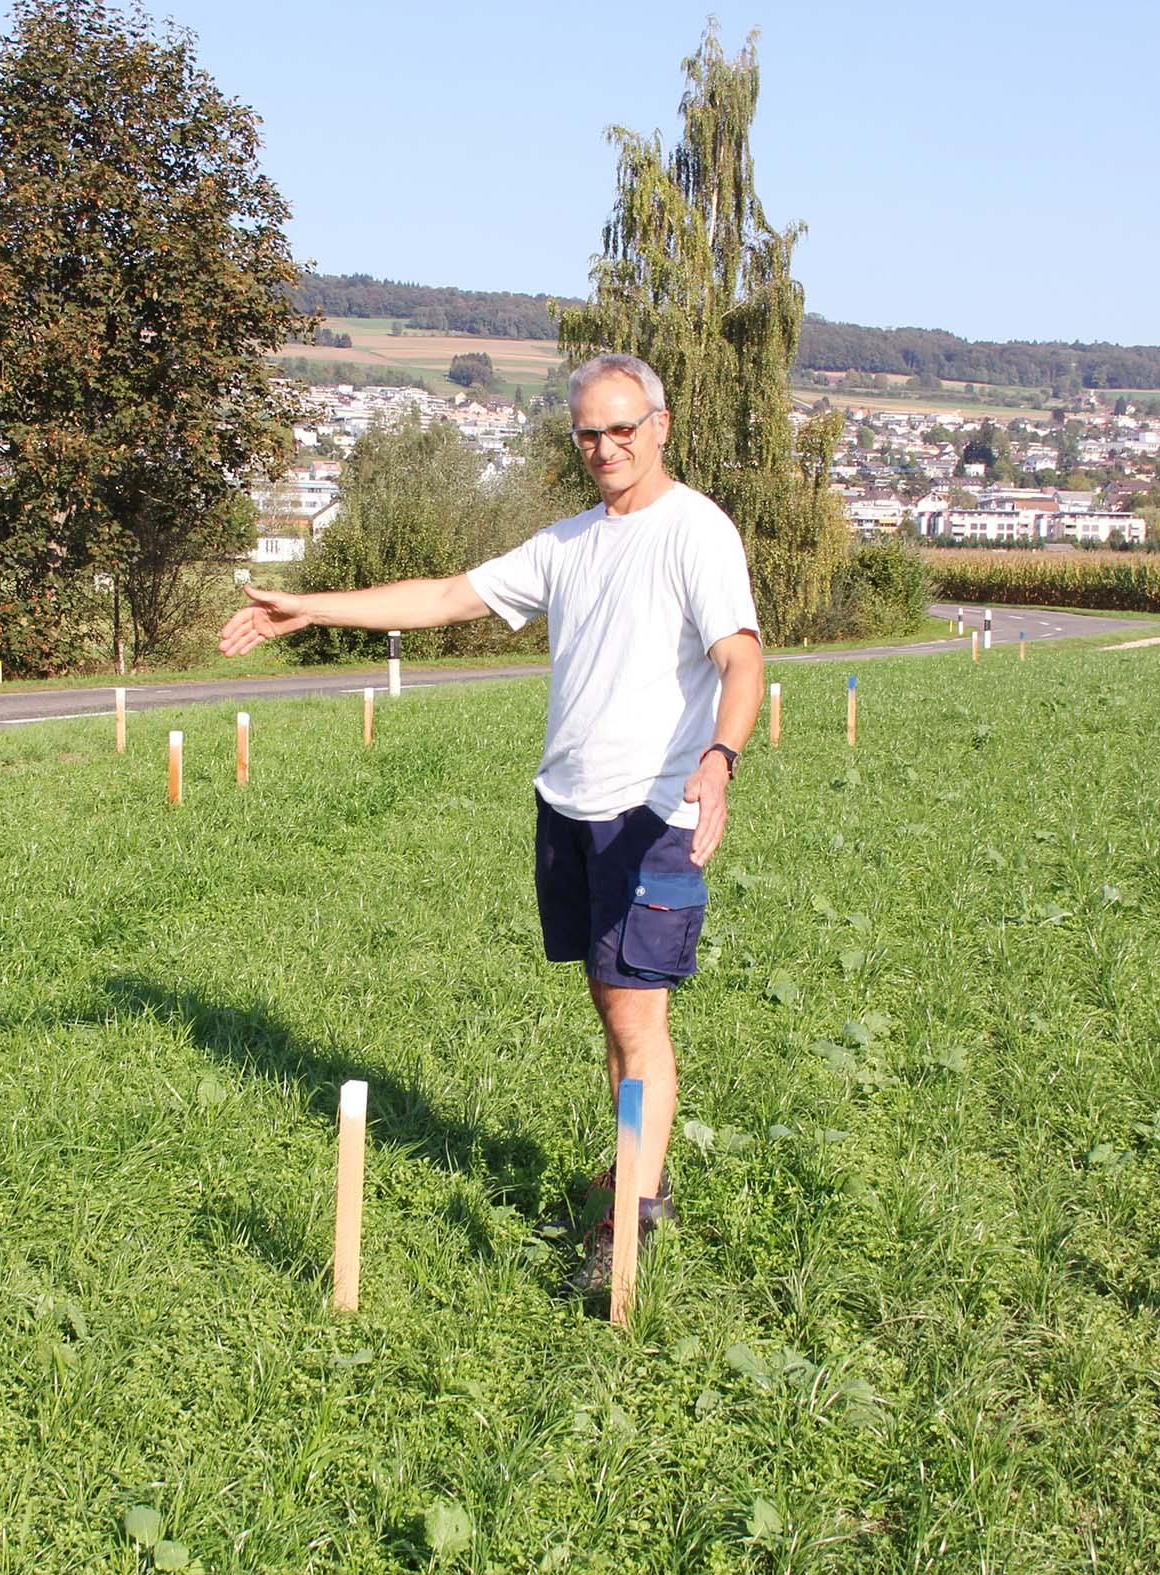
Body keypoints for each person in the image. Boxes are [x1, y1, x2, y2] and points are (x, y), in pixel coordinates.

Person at [217, 352, 763, 1298]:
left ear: (661, 426)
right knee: (612, 1000)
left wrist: (722, 755)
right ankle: (642, 1168)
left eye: (623, 428)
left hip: (650, 813)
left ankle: (629, 1216)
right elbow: (443, 596)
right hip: (569, 805)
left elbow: (741, 655)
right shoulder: (569, 543)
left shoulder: (695, 532)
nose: (606, 447)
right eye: (588, 432)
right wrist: (309, 607)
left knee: (636, 1014)